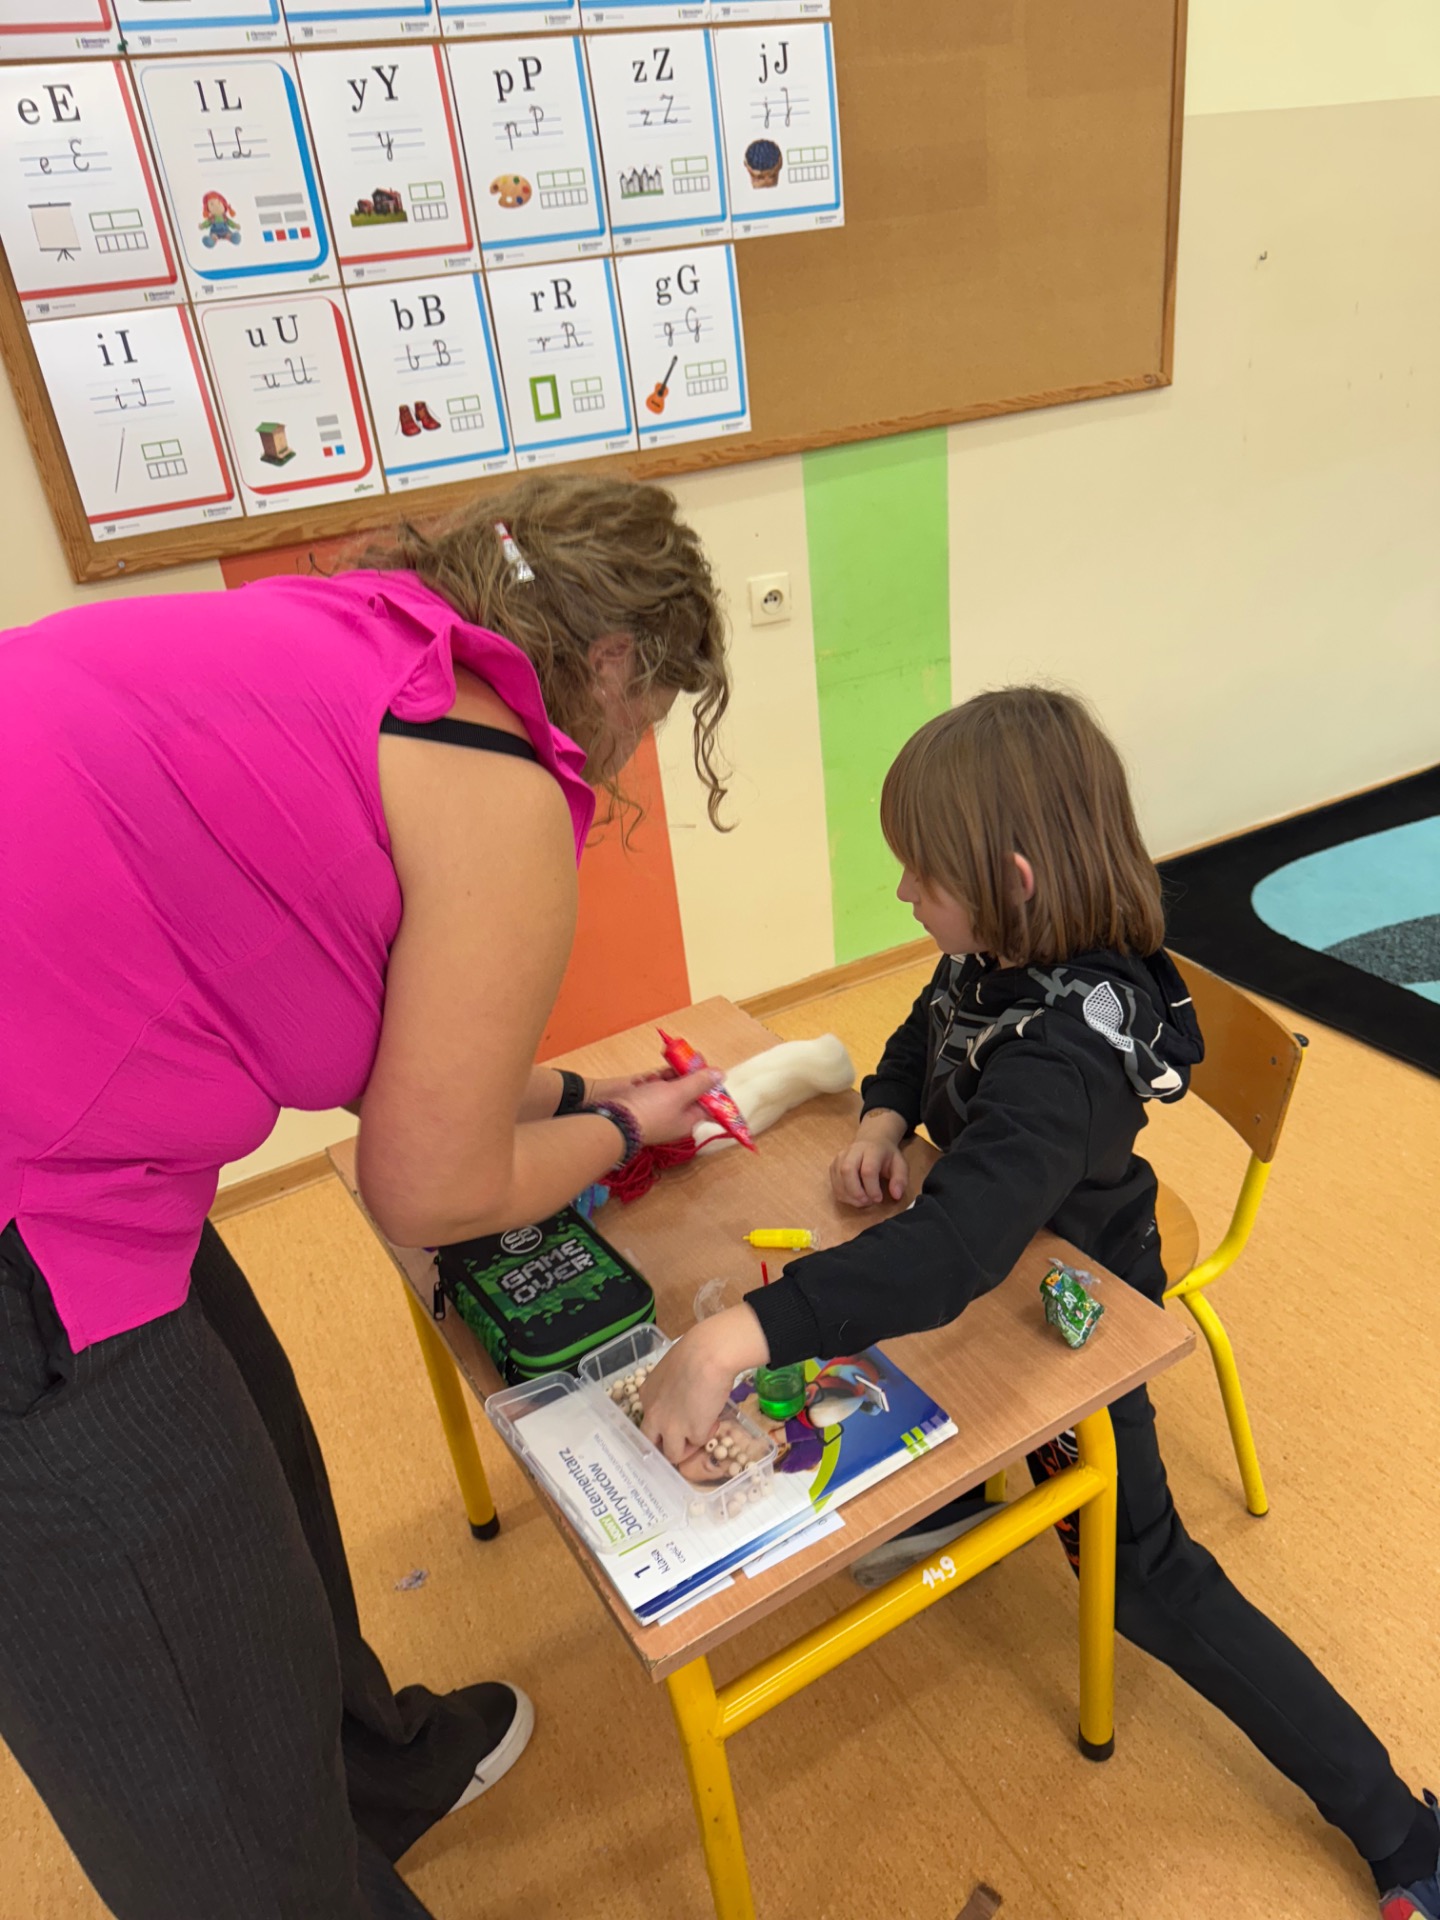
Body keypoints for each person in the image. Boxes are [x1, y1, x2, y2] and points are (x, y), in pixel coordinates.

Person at [0, 475, 731, 1920]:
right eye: (648, 720)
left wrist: (592, 1100)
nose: (627, 760)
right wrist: (616, 1137)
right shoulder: (501, 786)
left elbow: (405, 1065)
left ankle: (365, 1771)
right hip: (33, 1198)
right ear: (609, 665)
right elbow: (430, 1185)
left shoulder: (364, 634)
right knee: (193, 1729)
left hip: (76, 1136)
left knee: (254, 1443)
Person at [641, 687, 1440, 1920]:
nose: (904, 893)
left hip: (1080, 1297)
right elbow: (926, 1027)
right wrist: (886, 1117)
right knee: (891, 1324)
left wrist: (731, 1341)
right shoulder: (997, 950)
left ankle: (1397, 1827)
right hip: (995, 1256)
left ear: (1011, 881)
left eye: (922, 876)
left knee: (1145, 1575)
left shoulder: (1066, 1056)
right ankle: (962, 1489)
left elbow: (955, 1255)